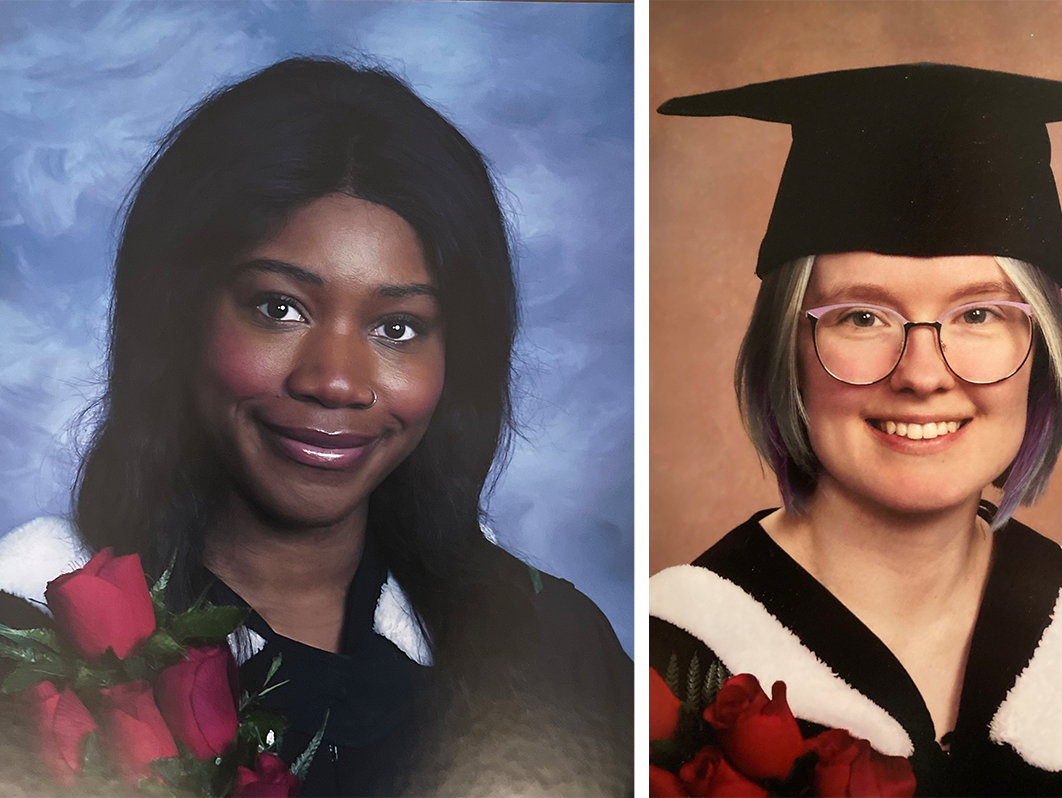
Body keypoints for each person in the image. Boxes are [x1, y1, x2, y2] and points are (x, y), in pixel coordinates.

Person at [0, 57, 632, 797]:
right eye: (279, 308)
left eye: (398, 327)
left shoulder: (554, 645)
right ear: (177, 316)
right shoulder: (25, 655)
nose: (335, 380)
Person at [649, 63, 1062, 797]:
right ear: (787, 352)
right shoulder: (669, 665)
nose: (921, 373)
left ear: (1043, 354)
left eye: (980, 314)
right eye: (861, 316)